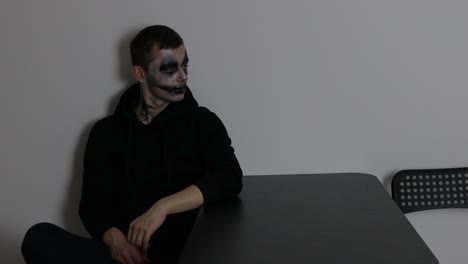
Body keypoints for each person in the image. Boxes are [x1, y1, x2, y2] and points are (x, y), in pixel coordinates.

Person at [22, 25, 243, 264]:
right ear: (140, 74)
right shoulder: (105, 132)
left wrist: (163, 207)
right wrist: (115, 239)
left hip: (181, 255)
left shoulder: (203, 122)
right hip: (123, 258)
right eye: (170, 68)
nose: (183, 76)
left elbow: (230, 177)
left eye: (184, 65)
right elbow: (91, 206)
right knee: (39, 236)